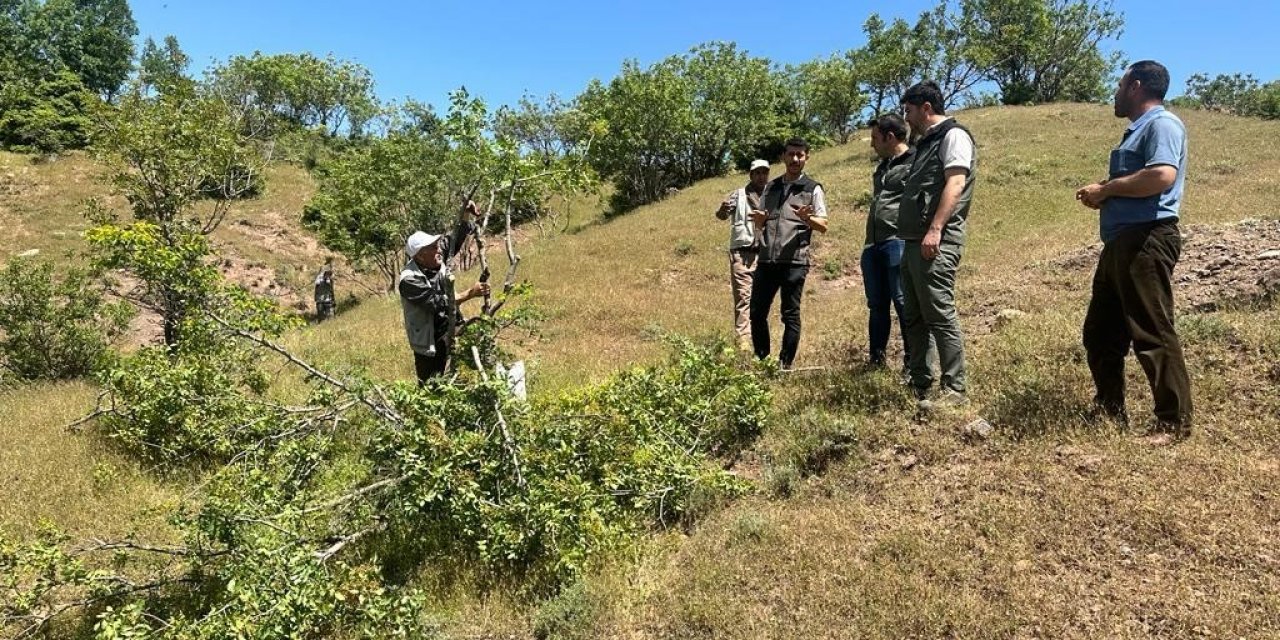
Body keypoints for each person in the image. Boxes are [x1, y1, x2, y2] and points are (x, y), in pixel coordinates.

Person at [1075, 60, 1192, 444]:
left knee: (1152, 329)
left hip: (1146, 239)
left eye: (1120, 83)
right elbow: (1141, 177)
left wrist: (1107, 191)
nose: (1116, 91)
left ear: (1136, 86)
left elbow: (1161, 176)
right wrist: (1105, 190)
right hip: (1122, 242)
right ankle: (1110, 409)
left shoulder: (1162, 124)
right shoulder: (1138, 131)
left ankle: (1173, 423)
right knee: (1100, 331)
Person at [897, 80, 977, 411]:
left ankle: (955, 389)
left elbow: (956, 183)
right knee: (914, 315)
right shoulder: (924, 143)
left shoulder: (953, 136)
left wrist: (936, 228)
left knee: (939, 312)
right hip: (913, 241)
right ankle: (920, 382)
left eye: (909, 110)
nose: (907, 117)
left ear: (926, 108)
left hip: (935, 239)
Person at [749, 138, 828, 370]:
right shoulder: (770, 187)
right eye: (791, 154)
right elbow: (762, 221)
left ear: (806, 157)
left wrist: (806, 218)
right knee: (757, 313)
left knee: (790, 315)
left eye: (800, 155)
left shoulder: (812, 188)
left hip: (795, 261)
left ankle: (785, 365)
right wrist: (761, 222)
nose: (795, 159)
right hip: (766, 260)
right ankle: (763, 362)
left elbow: (823, 225)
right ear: (783, 156)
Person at [398, 203, 490, 384]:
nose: (438, 249)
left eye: (437, 245)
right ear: (419, 256)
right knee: (430, 384)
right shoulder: (409, 280)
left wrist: (465, 214)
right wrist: (470, 293)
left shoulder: (436, 256)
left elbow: (455, 237)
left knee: (467, 364)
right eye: (432, 248)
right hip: (428, 339)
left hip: (450, 325)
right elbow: (437, 303)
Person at [863, 114, 914, 369]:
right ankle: (876, 361)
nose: (872, 144)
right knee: (877, 306)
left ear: (890, 137)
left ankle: (913, 363)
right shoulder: (882, 167)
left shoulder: (914, 161)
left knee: (903, 302)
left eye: (875, 138)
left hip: (897, 240)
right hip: (873, 244)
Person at [716, 159, 770, 351]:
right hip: (742, 254)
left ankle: (759, 341)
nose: (761, 176)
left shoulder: (772, 195)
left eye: (764, 172)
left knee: (761, 301)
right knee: (743, 297)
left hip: (766, 255)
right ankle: (744, 341)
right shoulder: (738, 195)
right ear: (751, 174)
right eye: (757, 173)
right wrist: (722, 209)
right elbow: (722, 215)